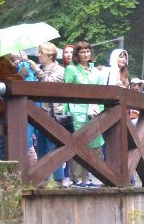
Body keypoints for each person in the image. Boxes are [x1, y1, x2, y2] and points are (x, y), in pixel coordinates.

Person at [63, 41, 105, 186]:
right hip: (77, 111)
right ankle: (77, 178)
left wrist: (99, 109)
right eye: (82, 52)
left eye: (88, 51)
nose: (86, 54)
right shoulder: (71, 69)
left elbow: (101, 92)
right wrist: (66, 111)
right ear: (77, 54)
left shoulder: (96, 71)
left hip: (93, 111)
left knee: (94, 144)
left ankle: (87, 178)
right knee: (78, 144)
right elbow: (65, 92)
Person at [35, 42, 68, 184]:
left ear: (50, 54)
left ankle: (59, 179)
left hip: (54, 115)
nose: (39, 56)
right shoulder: (38, 69)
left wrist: (36, 70)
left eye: (41, 53)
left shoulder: (59, 70)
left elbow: (50, 85)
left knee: (53, 147)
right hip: (37, 113)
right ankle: (43, 179)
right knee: (41, 147)